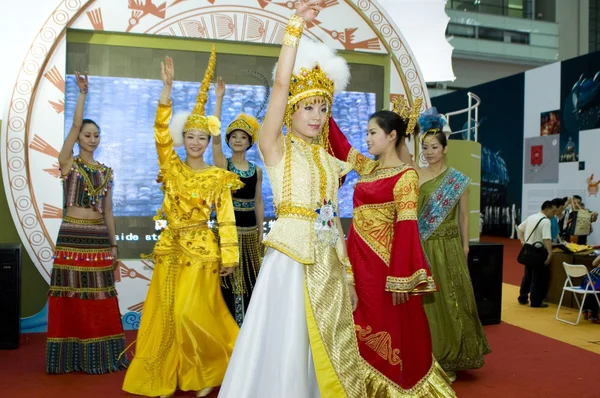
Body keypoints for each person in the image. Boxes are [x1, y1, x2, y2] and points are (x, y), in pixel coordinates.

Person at [219, 2, 367, 397]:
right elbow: (281, 85)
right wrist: (294, 29)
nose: (316, 116)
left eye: (322, 108)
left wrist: (349, 275)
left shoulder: (328, 161)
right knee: (284, 342)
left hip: (328, 261)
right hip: (288, 260)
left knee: (325, 346)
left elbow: (333, 219)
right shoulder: (275, 148)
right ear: (291, 111)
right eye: (307, 108)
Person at [122, 49, 242, 398]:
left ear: (208, 142)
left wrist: (230, 257)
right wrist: (166, 90)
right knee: (167, 315)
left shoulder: (219, 177)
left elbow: (228, 220)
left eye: (201, 138)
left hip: (203, 252)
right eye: (190, 136)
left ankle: (207, 372)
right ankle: (166, 376)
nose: (194, 142)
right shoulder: (171, 167)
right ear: (184, 138)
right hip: (170, 249)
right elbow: (159, 133)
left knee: (194, 315)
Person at [326, 106, 455, 396]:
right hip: (358, 262)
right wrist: (326, 112)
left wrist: (401, 276)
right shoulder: (370, 168)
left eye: (373, 132)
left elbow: (408, 229)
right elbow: (343, 146)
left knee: (386, 326)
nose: (367, 138)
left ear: (392, 135)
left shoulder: (406, 177)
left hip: (383, 268)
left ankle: (393, 386)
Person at [398, 106, 490, 380]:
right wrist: (405, 130)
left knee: (452, 301)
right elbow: (403, 154)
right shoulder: (416, 172)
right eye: (425, 147)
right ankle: (428, 355)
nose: (428, 152)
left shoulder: (459, 180)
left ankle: (451, 356)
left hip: (450, 247)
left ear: (445, 148)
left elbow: (464, 218)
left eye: (434, 147)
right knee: (427, 304)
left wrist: (465, 246)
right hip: (424, 246)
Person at [46, 71, 128, 374]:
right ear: (79, 138)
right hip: (70, 235)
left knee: (99, 297)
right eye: (86, 135)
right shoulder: (69, 162)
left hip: (96, 237)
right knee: (69, 295)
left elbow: (108, 212)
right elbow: (75, 123)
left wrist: (114, 244)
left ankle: (102, 356)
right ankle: (70, 358)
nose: (91, 139)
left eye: (95, 135)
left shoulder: (106, 172)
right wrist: (82, 94)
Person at [212, 77, 265, 325]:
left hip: (250, 234)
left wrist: (261, 234)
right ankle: (228, 332)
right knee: (226, 283)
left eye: (243, 137)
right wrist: (219, 99)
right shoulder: (225, 164)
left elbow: (258, 203)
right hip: (228, 233)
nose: (238, 140)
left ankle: (247, 333)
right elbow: (213, 139)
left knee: (250, 283)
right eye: (233, 136)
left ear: (249, 142)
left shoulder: (256, 170)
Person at [517, 200, 557, 308]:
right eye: (553, 211)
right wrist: (549, 253)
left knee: (528, 275)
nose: (554, 214)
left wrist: (522, 241)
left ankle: (522, 297)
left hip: (529, 250)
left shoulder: (532, 217)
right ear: (547, 209)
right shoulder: (546, 221)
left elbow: (520, 228)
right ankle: (536, 301)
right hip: (539, 251)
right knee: (539, 277)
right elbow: (547, 239)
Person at [582, 255, 600, 323]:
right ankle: (594, 315)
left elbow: (594, 263)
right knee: (596, 291)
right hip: (596, 281)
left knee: (594, 291)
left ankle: (587, 310)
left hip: (588, 280)